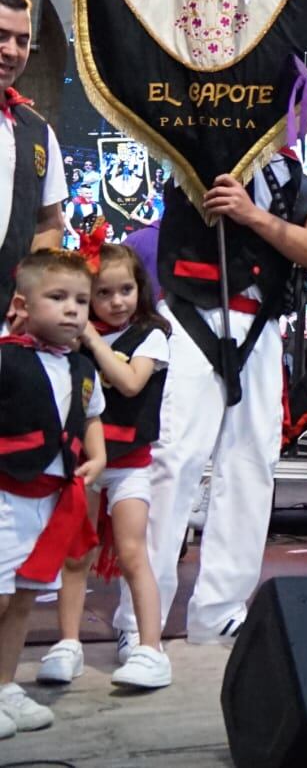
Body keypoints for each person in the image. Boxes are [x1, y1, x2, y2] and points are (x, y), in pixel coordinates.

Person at [116, 154, 307, 647]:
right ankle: (138, 618)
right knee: (172, 461)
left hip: (259, 326)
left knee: (251, 466)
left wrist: (251, 214)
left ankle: (220, 611)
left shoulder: (298, 181)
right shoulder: (202, 144)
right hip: (191, 316)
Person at [39, 244, 169, 690]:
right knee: (76, 556)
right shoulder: (74, 339)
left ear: (140, 289)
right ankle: (68, 643)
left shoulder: (152, 334)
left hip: (130, 463)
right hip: (85, 463)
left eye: (126, 290)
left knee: (133, 554)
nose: (116, 302)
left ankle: (151, 648)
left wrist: (92, 341)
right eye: (104, 293)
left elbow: (131, 383)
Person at [0, 251, 105, 734]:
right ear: (22, 304)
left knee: (22, 597)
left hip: (49, 500)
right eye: (58, 297)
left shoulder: (82, 368)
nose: (72, 310)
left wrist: (98, 457)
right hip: (5, 493)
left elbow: (91, 416)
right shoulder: (5, 356)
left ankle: (4, 686)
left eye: (81, 301)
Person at [0, 0, 67, 309]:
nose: (12, 51)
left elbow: (48, 223)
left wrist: (29, 293)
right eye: (1, 36)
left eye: (22, 40)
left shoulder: (39, 133)